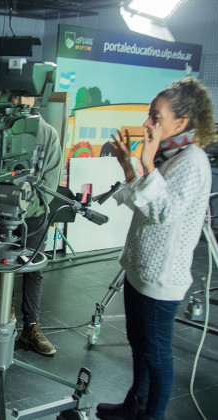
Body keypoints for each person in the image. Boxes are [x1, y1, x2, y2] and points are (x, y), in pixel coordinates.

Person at [96, 78, 215, 420]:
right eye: (149, 114)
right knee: (139, 343)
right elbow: (144, 203)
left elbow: (163, 213)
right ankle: (135, 403)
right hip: (140, 269)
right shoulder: (169, 154)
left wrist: (146, 164)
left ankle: (152, 415)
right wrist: (130, 167)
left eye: (155, 117)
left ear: (182, 122)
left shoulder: (192, 162)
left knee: (157, 355)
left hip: (162, 277)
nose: (147, 123)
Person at [10, 94, 62, 356]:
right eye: (15, 94)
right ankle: (5, 319)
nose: (20, 100)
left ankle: (31, 328)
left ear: (35, 97)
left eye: (25, 94)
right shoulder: (3, 128)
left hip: (35, 215)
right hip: (2, 213)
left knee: (33, 270)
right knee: (4, 266)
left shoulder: (49, 134)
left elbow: (51, 180)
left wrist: (30, 207)